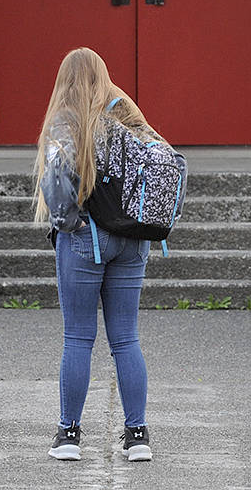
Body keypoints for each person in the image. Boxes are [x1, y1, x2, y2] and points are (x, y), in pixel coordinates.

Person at [35, 47, 179, 463]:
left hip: (85, 238)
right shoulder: (127, 114)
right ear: (103, 75)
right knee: (126, 339)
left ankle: (68, 435)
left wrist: (70, 224)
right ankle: (137, 434)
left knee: (78, 338)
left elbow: (57, 181)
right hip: (134, 239)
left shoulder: (67, 119)